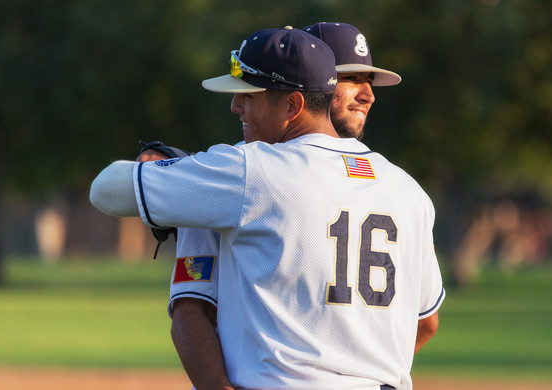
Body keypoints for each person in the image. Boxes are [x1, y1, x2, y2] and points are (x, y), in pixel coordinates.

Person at [90, 26, 445, 390]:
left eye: (249, 94)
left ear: (293, 104)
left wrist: (184, 171)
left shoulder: (245, 171)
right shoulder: (408, 189)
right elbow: (426, 322)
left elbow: (105, 190)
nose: (235, 105)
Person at [164, 22, 406, 385]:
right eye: (349, 78)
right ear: (310, 86)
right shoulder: (230, 177)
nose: (368, 95)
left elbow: (425, 320)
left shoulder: (398, 187)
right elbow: (190, 308)